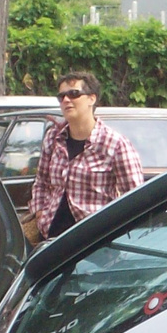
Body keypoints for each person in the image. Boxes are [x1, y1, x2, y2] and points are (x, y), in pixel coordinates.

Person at [30, 70, 144, 242]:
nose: (66, 100)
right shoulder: (53, 138)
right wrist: (39, 212)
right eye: (61, 96)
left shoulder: (115, 144)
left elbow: (135, 199)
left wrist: (113, 231)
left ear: (92, 98)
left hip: (94, 243)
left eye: (74, 94)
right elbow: (41, 182)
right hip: (51, 241)